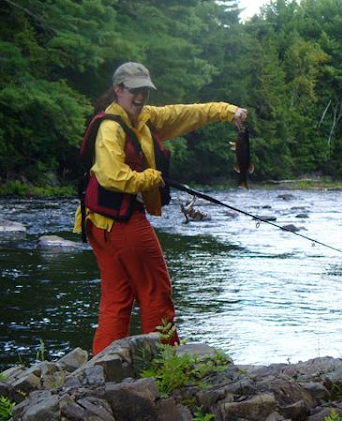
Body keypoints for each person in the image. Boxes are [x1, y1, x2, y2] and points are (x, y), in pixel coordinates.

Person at [74, 62, 247, 356]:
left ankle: (103, 365)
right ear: (118, 90)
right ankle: (167, 362)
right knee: (157, 291)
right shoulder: (109, 129)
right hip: (122, 222)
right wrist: (151, 178)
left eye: (145, 91)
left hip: (99, 223)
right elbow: (111, 176)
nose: (140, 97)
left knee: (118, 298)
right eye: (134, 91)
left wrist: (229, 111)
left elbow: (189, 113)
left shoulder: (146, 119)